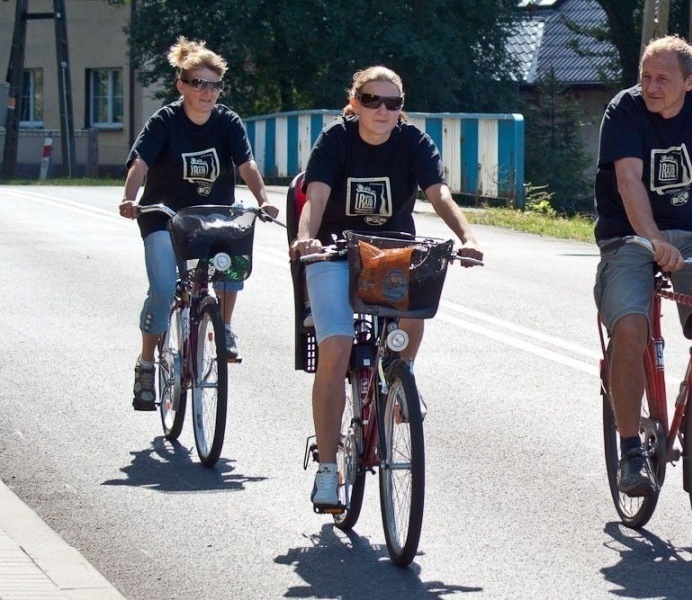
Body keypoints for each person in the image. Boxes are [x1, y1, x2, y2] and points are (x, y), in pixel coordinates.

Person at [289, 65, 483, 510]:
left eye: (392, 103)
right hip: (335, 253)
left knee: (411, 324)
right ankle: (326, 467)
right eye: (372, 100)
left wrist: (468, 237)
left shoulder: (413, 142)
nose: (382, 110)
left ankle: (399, 382)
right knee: (336, 348)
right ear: (355, 103)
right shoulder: (336, 140)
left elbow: (440, 195)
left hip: (390, 255)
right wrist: (306, 239)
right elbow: (315, 197)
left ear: (401, 109)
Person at [593, 35, 692, 497]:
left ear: (690, 81)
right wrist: (653, 239)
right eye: (645, 76)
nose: (650, 86)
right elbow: (628, 182)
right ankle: (630, 450)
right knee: (629, 327)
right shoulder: (624, 110)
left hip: (691, 234)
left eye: (662, 78)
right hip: (628, 236)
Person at [119, 36, 278, 411]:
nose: (207, 92)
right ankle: (146, 365)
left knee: (234, 254)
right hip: (164, 218)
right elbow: (139, 163)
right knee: (162, 288)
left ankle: (222, 325)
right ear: (182, 86)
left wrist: (265, 200)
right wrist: (129, 197)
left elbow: (247, 165)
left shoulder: (227, 122)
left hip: (211, 219)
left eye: (214, 85)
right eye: (198, 83)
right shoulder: (164, 121)